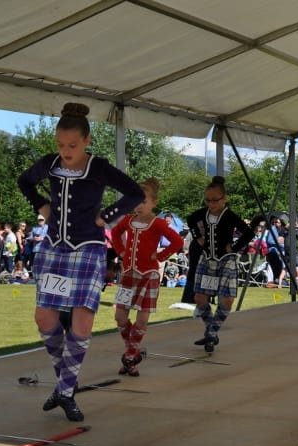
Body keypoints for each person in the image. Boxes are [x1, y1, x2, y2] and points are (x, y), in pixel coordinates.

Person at [17, 102, 144, 421]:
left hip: (88, 248)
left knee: (82, 321)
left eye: (72, 145)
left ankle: (65, 390)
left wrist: (108, 216)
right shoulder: (50, 164)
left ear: (87, 140)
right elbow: (24, 181)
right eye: (61, 145)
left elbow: (134, 193)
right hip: (53, 249)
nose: (66, 151)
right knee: (44, 318)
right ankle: (66, 384)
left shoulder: (98, 167)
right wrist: (41, 205)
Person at [111, 178, 183, 376]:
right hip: (128, 274)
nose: (139, 205)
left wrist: (160, 256)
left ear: (154, 202)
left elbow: (177, 242)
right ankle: (132, 352)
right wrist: (121, 252)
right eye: (135, 200)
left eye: (143, 201)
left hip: (148, 276)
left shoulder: (157, 223)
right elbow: (115, 234)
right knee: (120, 316)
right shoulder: (127, 220)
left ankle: (130, 356)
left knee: (142, 320)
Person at [187, 176, 254, 353]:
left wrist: (235, 247)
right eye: (207, 200)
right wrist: (198, 237)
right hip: (207, 258)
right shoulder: (202, 214)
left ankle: (211, 332)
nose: (211, 204)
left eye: (214, 200)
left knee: (227, 300)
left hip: (226, 260)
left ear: (224, 199)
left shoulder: (229, 216)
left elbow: (248, 233)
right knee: (200, 298)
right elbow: (190, 220)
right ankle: (212, 331)